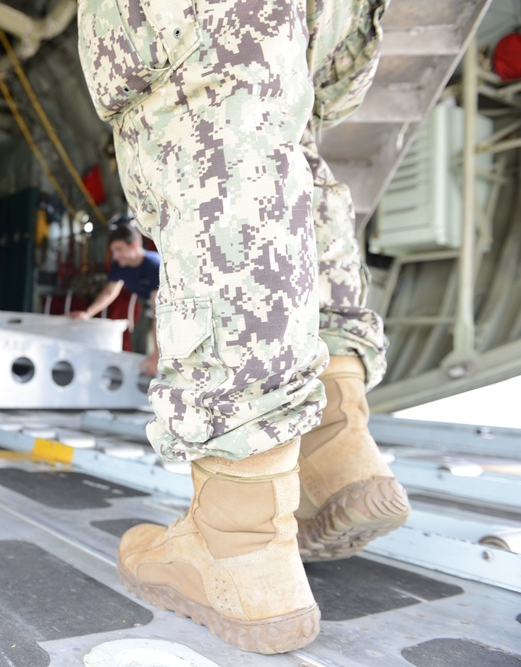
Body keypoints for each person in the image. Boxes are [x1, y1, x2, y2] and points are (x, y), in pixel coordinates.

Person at [77, 0, 405, 655]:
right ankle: (336, 446)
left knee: (207, 120)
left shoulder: (133, 260)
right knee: (284, 139)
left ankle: (240, 543)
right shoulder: (128, 271)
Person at [69, 223, 159, 373]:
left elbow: (159, 314)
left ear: (134, 245)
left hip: (167, 305)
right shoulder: (120, 265)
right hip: (147, 303)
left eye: (119, 249)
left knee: (153, 345)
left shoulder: (154, 265)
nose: (115, 255)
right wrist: (87, 314)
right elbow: (110, 291)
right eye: (113, 251)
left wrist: (156, 355)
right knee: (137, 341)